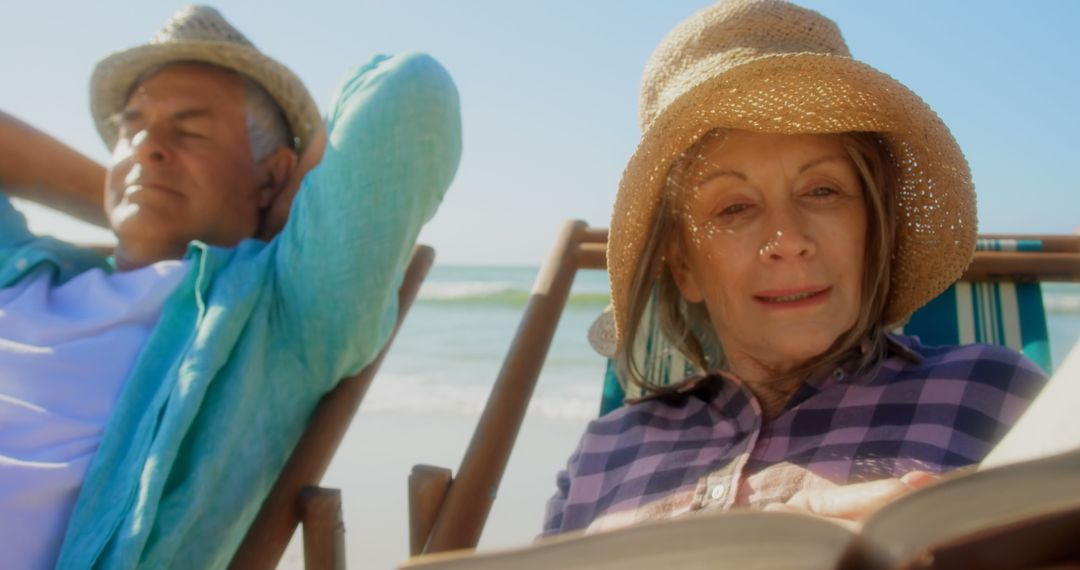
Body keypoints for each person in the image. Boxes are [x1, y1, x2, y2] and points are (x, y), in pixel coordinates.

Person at [543, 0, 1047, 536]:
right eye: (734, 207)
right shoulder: (605, 450)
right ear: (684, 265)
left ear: (872, 229)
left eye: (823, 191)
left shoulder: (992, 394)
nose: (789, 242)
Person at [0, 6, 461, 569]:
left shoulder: (276, 315)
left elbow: (409, 91)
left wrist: (278, 215)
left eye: (189, 129)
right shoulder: (22, 269)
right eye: (131, 127)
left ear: (274, 176)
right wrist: (127, 197)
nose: (147, 146)